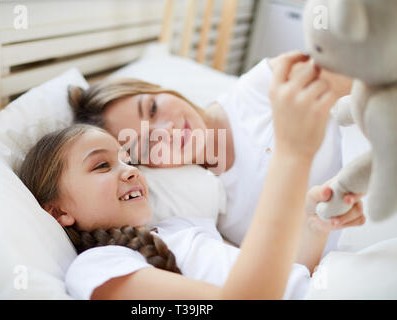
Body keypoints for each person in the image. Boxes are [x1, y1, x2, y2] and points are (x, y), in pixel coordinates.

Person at [19, 53, 365, 299]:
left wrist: (313, 225)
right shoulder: (97, 266)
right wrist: (293, 156)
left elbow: (286, 274)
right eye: (102, 165)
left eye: (126, 160)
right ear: (57, 211)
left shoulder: (186, 226)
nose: (128, 171)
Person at [67, 52, 354, 247]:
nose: (167, 130)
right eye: (147, 142)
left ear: (159, 89)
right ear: (145, 165)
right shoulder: (211, 212)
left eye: (152, 108)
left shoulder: (258, 88)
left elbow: (362, 73)